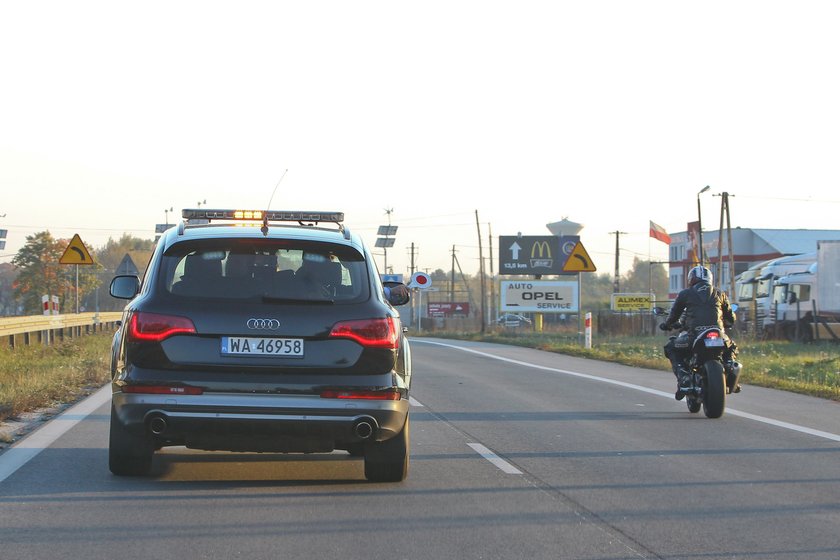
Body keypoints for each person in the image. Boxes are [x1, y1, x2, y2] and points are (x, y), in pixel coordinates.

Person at [659, 265, 739, 400]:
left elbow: (674, 315)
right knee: (731, 347)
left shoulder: (685, 294)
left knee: (671, 347)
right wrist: (728, 323)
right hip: (717, 335)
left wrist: (667, 325)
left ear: (691, 279)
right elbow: (731, 318)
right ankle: (730, 366)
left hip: (694, 336)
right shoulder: (720, 293)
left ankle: (684, 375)